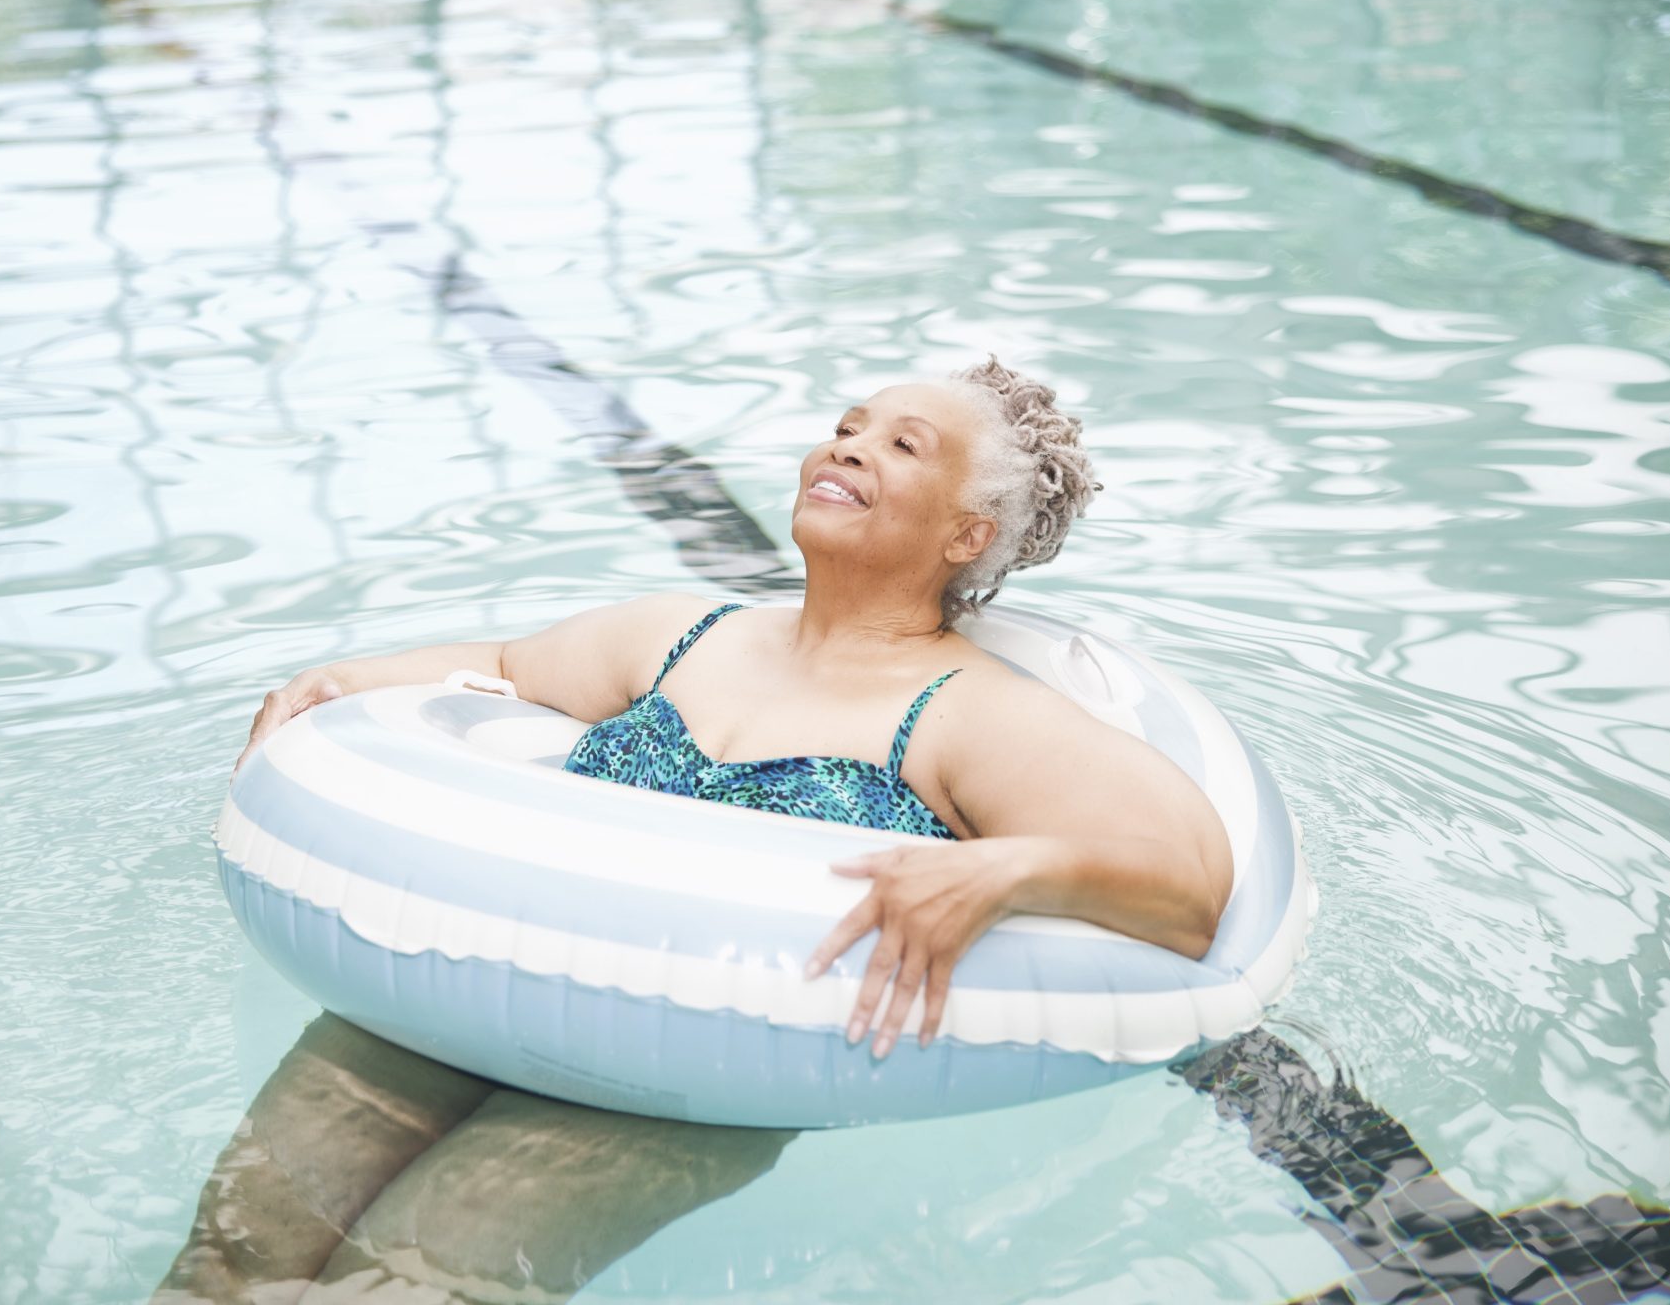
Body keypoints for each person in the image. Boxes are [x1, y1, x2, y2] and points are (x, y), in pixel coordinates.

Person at [239, 355, 1234, 1060]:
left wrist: (1003, 869)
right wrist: (343, 681)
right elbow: (504, 663)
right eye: (845, 429)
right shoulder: (686, 635)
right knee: (241, 1249)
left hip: (699, 1056)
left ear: (967, 533)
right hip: (481, 989)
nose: (845, 450)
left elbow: (1187, 887)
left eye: (900, 445)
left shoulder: (966, 713)